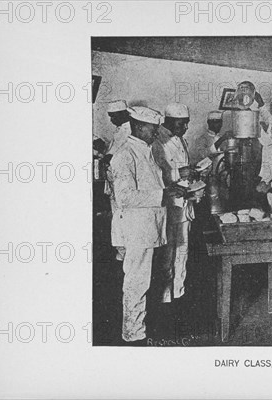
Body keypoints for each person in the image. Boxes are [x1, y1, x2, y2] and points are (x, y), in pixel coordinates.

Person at [110, 106, 169, 343]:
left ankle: (137, 330)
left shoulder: (146, 150)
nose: (156, 133)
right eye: (153, 129)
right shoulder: (124, 155)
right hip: (136, 229)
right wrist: (163, 194)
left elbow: (151, 187)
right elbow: (125, 197)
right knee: (136, 282)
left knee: (141, 280)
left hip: (146, 227)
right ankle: (133, 334)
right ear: (138, 126)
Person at [152, 103, 194, 303]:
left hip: (184, 205)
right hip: (169, 205)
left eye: (186, 123)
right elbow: (157, 175)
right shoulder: (157, 141)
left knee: (183, 249)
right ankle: (165, 297)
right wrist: (180, 173)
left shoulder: (181, 140)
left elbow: (184, 168)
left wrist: (192, 176)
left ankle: (179, 292)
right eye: (181, 123)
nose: (185, 128)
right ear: (168, 121)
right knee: (167, 252)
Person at [104, 100, 132, 261]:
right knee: (118, 217)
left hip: (122, 183)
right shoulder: (120, 130)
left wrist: (106, 157)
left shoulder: (129, 131)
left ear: (124, 114)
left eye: (114, 116)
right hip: (115, 182)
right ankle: (122, 251)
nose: (111, 120)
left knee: (122, 218)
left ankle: (125, 252)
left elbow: (117, 156)